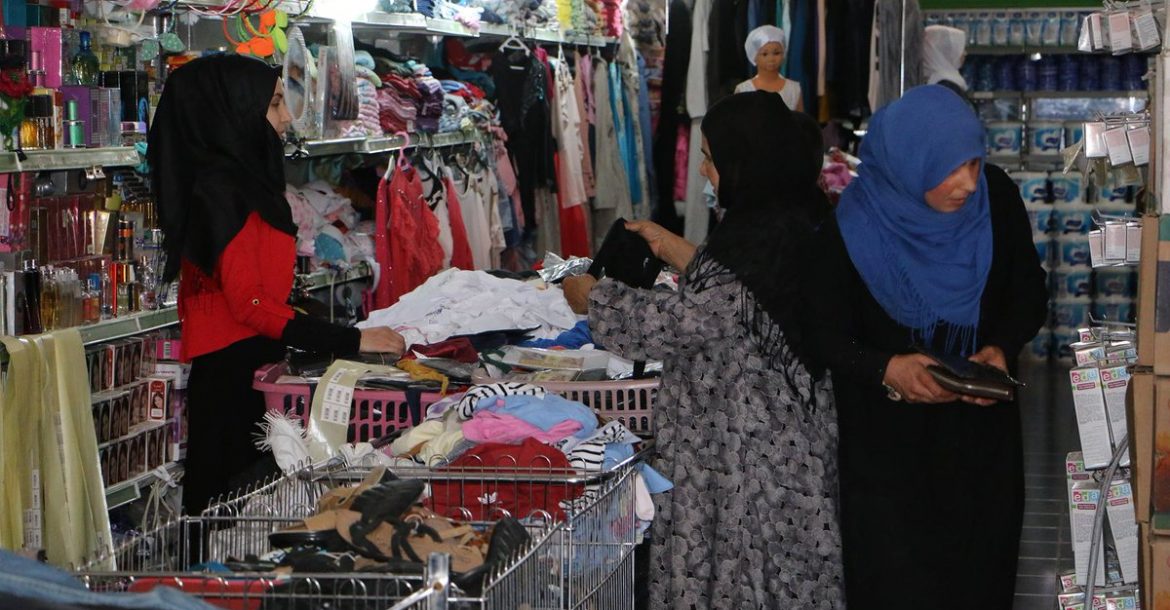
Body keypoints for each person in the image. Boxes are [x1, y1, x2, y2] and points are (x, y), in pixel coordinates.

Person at [564, 91, 842, 609]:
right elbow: (741, 294)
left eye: (711, 159)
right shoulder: (784, 218)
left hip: (751, 457)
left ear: (745, 161)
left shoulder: (762, 234)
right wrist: (674, 249)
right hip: (762, 445)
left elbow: (687, 320)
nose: (703, 172)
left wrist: (595, 298)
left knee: (748, 576)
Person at [801, 85, 1048, 610]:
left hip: (981, 451)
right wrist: (886, 368)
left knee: (980, 583)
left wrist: (1000, 348)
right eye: (949, 168)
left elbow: (1029, 294)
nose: (967, 183)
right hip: (888, 462)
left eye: (974, 163)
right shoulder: (852, 229)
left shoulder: (996, 201)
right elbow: (819, 333)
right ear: (908, 164)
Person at [148, 54, 405, 516]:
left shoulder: (243, 183)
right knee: (230, 516)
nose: (287, 118)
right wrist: (351, 339)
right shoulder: (221, 192)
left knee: (254, 514)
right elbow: (249, 304)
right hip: (232, 382)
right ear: (235, 111)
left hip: (253, 366)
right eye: (275, 104)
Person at [734, 25, 804, 112]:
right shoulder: (743, 90)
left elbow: (800, 119)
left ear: (783, 54)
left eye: (776, 53)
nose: (771, 58)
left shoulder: (794, 90)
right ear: (754, 56)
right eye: (764, 54)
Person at [923, 25, 970, 98]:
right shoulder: (948, 86)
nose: (965, 53)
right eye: (960, 49)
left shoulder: (931, 79)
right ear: (949, 52)